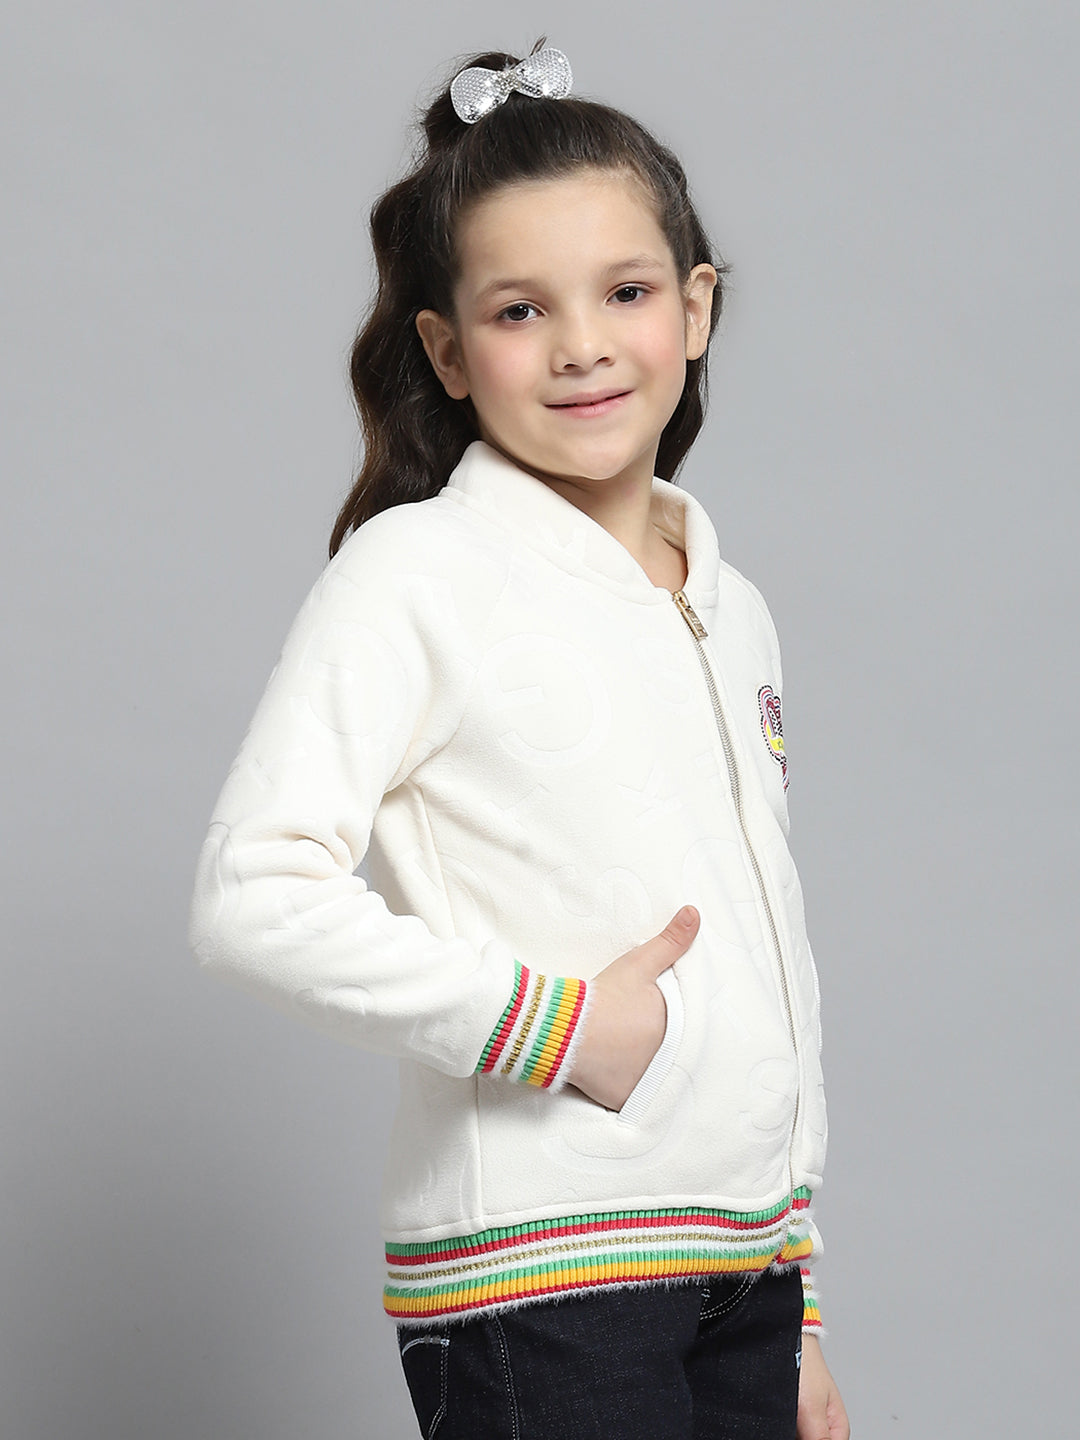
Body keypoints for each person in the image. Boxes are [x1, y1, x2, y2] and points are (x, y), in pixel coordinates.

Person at [189, 42, 850, 1440]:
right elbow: (252, 896)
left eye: (627, 292)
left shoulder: (733, 607)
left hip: (744, 1271)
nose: (582, 345)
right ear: (447, 350)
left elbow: (769, 949)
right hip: (547, 1279)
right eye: (519, 309)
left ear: (698, 306)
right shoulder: (417, 574)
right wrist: (560, 1029)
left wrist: (799, 1306)